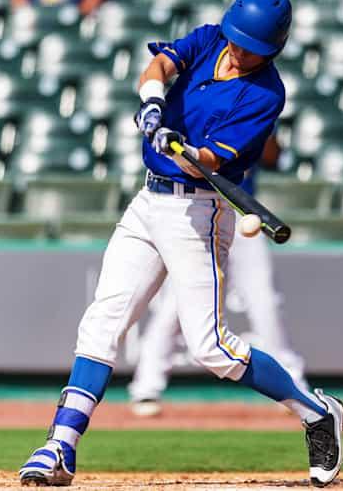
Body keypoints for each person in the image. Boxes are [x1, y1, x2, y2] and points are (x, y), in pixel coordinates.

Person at [18, 0, 343, 488]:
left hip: (199, 211)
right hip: (148, 202)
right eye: (236, 39)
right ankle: (60, 446)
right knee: (103, 321)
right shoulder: (210, 39)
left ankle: (315, 410)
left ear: (272, 48)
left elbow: (215, 161)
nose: (236, 51)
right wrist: (153, 106)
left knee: (211, 347)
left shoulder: (264, 94)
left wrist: (184, 149)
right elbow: (159, 69)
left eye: (249, 46)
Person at [128, 136, 308, 418]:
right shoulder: (197, 114)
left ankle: (292, 386)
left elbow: (273, 157)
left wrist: (267, 129)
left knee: (264, 302)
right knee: (176, 305)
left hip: (242, 215)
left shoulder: (251, 110)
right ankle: (146, 387)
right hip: (197, 212)